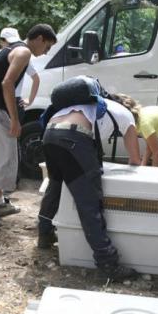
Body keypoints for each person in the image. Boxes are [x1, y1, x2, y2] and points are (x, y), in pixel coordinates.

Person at [37, 83, 140, 282]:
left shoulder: (87, 105)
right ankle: (108, 263)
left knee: (55, 186)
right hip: (73, 137)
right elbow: (135, 159)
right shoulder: (126, 115)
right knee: (89, 203)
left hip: (50, 133)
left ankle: (44, 234)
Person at [0, 24, 57, 227]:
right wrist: (15, 120)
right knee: (5, 159)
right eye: (47, 47)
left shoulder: (14, 48)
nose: (46, 52)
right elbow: (7, 83)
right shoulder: (23, 52)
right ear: (40, 38)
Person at [0, 27, 41, 122]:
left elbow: (36, 78)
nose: (12, 45)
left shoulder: (21, 55)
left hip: (8, 100)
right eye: (9, 42)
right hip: (0, 100)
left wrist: (30, 100)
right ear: (1, 41)